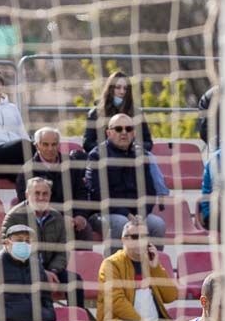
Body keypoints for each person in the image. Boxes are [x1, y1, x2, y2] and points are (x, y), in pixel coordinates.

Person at [97, 220, 178, 321]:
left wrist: (155, 268)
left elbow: (171, 296)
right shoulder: (111, 264)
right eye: (135, 236)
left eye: (144, 236)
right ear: (124, 240)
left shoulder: (151, 263)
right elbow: (117, 302)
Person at [2, 177, 89, 314]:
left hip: (51, 268)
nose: (41, 197)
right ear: (27, 195)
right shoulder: (14, 217)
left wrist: (53, 270)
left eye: (45, 193)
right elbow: (14, 252)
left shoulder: (57, 217)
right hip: (22, 269)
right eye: (37, 193)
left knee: (74, 281)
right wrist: (42, 272)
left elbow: (63, 250)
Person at [81, 70, 169, 198]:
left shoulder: (136, 113)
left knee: (149, 156)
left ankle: (161, 196)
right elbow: (87, 143)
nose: (122, 92)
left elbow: (148, 142)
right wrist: (110, 146)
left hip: (131, 154)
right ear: (110, 89)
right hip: (106, 155)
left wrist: (132, 146)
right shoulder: (96, 113)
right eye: (118, 87)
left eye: (125, 88)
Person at [84, 113, 167, 244]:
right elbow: (98, 194)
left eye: (128, 129)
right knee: (122, 223)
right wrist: (126, 214)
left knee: (157, 225)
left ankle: (150, 262)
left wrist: (142, 214)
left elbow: (150, 192)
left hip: (137, 214)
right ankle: (115, 264)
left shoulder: (141, 155)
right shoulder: (97, 155)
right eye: (118, 129)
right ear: (108, 132)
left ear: (133, 133)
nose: (124, 132)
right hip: (104, 213)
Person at [16, 127, 93, 243]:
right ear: (37, 146)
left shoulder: (71, 164)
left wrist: (80, 216)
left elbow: (81, 193)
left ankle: (84, 261)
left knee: (85, 229)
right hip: (41, 219)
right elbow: (27, 201)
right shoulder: (27, 170)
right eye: (45, 144)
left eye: (54, 144)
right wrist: (59, 218)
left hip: (71, 218)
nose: (50, 148)